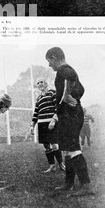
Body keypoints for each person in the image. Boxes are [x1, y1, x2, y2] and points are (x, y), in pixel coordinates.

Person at [45, 47, 93, 195]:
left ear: (54, 57)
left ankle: (86, 186)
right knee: (67, 149)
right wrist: (73, 97)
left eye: (49, 61)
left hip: (70, 114)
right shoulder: (66, 71)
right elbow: (82, 89)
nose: (49, 65)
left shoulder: (64, 69)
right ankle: (69, 183)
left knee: (73, 149)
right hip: (68, 113)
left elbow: (70, 75)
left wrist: (66, 96)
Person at [30, 79, 65, 173]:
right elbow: (36, 113)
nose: (40, 84)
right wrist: (32, 125)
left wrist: (54, 120)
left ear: (46, 83)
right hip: (42, 123)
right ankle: (52, 166)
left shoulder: (52, 93)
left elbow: (58, 107)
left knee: (54, 144)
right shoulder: (38, 98)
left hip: (51, 122)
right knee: (46, 145)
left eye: (41, 82)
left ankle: (61, 164)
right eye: (38, 83)